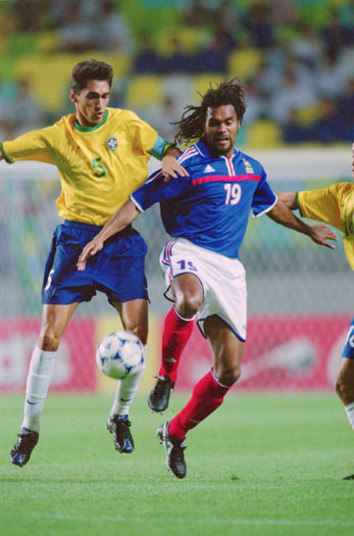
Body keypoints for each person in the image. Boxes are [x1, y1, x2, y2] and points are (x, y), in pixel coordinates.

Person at [77, 79, 337, 479]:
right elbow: (136, 202)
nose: (221, 129)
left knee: (229, 372)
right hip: (188, 253)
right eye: (214, 122)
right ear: (206, 125)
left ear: (238, 124)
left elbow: (268, 207)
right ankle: (165, 376)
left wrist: (308, 229)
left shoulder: (252, 169)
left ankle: (175, 433)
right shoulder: (185, 166)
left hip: (229, 271)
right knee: (187, 301)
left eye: (228, 122)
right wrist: (100, 237)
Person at [0, 58, 186, 467]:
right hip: (74, 240)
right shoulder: (56, 136)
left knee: (137, 338)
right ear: (74, 97)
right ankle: (29, 430)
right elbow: (6, 150)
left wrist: (171, 156)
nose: (100, 104)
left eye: (104, 95)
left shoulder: (128, 123)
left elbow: (164, 147)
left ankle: (119, 417)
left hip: (121, 242)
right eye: (91, 97)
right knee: (49, 335)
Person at [278, 146, 353, 480]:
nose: (353, 157)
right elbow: (282, 201)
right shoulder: (342, 196)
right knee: (345, 385)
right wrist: (243, 196)